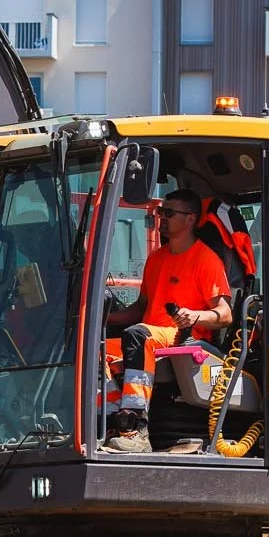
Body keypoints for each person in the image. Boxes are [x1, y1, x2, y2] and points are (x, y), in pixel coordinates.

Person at [105, 188, 231, 452]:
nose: (161, 217)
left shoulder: (206, 260)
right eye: (161, 212)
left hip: (183, 339)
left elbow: (225, 314)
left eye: (169, 213)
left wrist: (194, 315)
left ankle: (135, 428)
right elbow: (141, 308)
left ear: (190, 219)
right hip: (149, 335)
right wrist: (100, 318)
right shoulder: (156, 259)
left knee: (138, 336)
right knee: (96, 347)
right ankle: (109, 421)